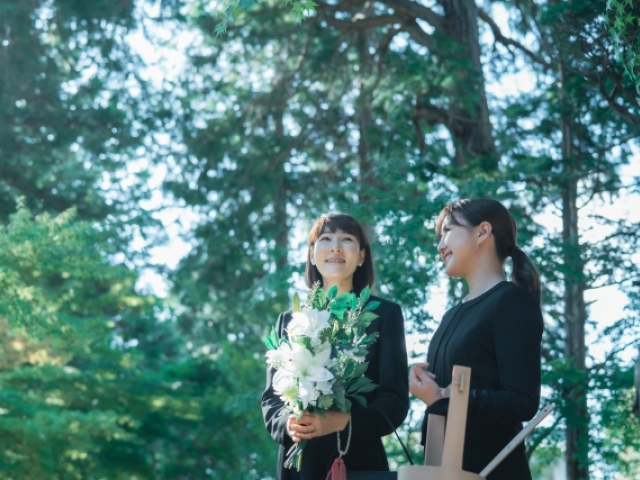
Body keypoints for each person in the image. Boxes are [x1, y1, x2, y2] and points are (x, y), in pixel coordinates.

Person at [262, 212, 410, 480]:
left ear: (362, 255)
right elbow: (271, 400)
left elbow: (395, 402)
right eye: (326, 238)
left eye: (347, 239)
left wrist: (344, 421)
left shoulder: (384, 315)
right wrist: (289, 425)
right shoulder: (290, 320)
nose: (336, 247)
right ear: (311, 254)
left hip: (358, 461)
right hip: (300, 465)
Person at [409, 198, 543, 480]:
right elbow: (443, 394)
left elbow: (522, 400)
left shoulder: (511, 301)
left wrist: (442, 401)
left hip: (491, 471)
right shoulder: (450, 316)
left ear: (482, 232)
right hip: (441, 469)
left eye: (447, 231)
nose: (440, 245)